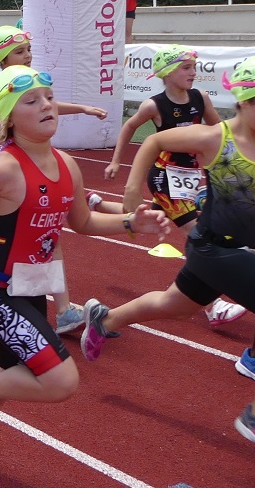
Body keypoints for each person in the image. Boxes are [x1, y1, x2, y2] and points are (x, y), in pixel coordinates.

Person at [80, 56, 255, 468]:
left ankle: (105, 319)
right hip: (217, 248)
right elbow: (154, 142)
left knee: (174, 305)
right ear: (244, 101)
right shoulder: (214, 138)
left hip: (230, 247)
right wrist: (134, 188)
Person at [0, 65, 168, 474]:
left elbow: (83, 222)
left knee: (10, 377)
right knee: (60, 380)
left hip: (32, 283)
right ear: (8, 117)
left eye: (49, 98)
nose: (46, 105)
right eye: (31, 101)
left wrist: (130, 223)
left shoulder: (66, 164)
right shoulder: (5, 168)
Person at [103, 45, 245, 327]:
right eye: (186, 68)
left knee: (154, 215)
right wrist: (116, 160)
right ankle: (213, 305)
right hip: (164, 176)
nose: (193, 73)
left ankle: (99, 205)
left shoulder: (201, 98)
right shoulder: (154, 105)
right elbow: (130, 127)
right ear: (167, 73)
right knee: (198, 234)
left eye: (194, 68)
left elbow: (219, 131)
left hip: (191, 175)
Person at [0, 25, 107, 334]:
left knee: (49, 237)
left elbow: (49, 104)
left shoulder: (32, 81)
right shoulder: (4, 88)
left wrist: (81, 108)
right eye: (19, 51)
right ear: (2, 57)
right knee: (28, 235)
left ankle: (60, 309)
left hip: (36, 165)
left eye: (28, 50)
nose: (27, 55)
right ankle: (57, 309)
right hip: (18, 169)